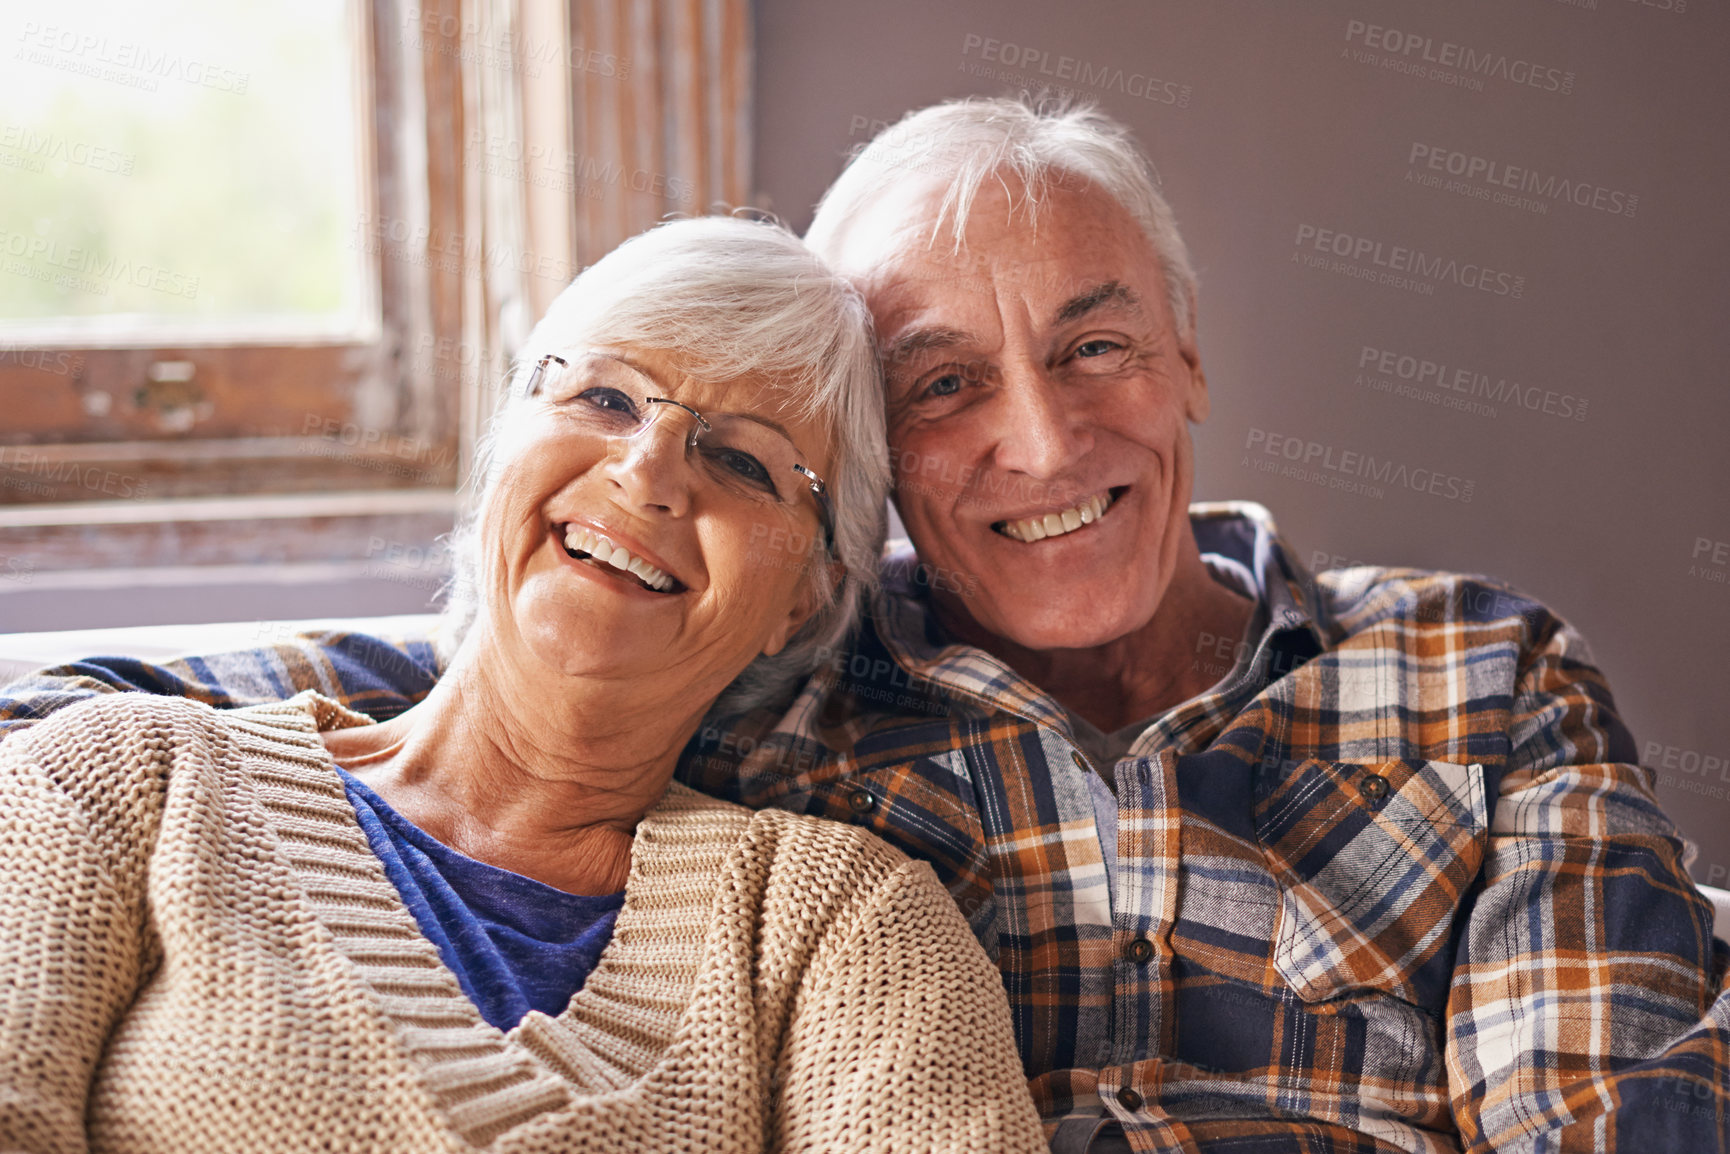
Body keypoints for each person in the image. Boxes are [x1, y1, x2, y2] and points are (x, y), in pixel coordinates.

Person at [6, 100, 1729, 1151]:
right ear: (876, 481)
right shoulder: (803, 681)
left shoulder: (1477, 676)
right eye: (948, 384)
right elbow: (505, 669)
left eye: (1097, 345)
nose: (1046, 443)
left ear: (1191, 355)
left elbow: (1603, 1111)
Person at [0, 216, 1046, 1154]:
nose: (647, 470)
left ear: (806, 600)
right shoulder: (118, 781)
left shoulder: (843, 924)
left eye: (741, 462)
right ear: (505, 448)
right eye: (603, 396)